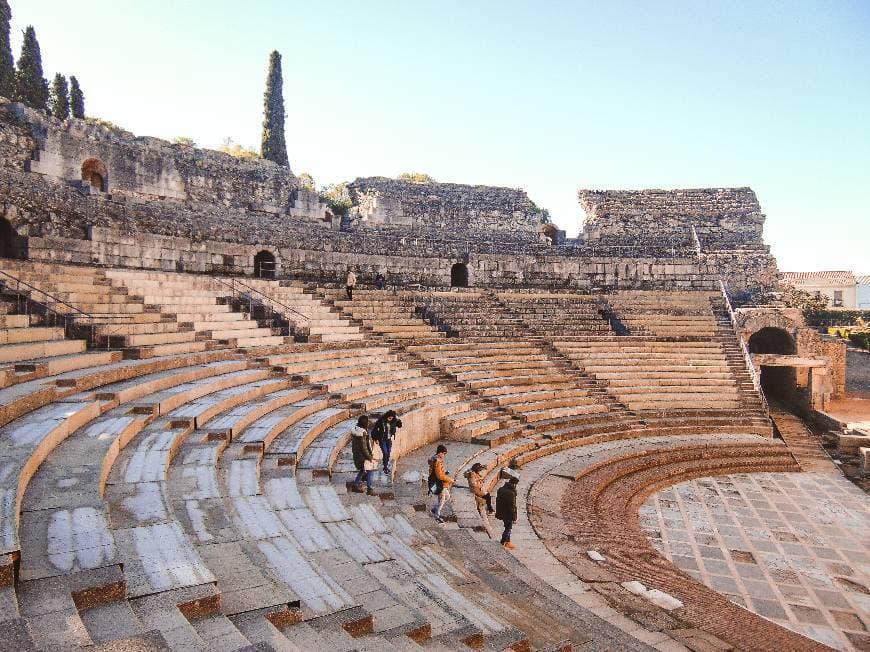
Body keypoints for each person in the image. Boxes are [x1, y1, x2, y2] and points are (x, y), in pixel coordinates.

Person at [464, 462, 494, 538]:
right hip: (476, 490)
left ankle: (489, 509)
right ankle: (490, 510)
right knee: (488, 496)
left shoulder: (473, 473)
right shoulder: (472, 475)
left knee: (488, 495)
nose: (480, 471)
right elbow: (474, 484)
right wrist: (480, 481)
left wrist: (480, 478)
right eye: (479, 469)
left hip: (477, 489)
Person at [351, 415, 378, 495]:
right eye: (368, 422)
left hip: (359, 456)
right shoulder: (361, 434)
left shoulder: (358, 430)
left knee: (363, 470)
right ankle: (370, 489)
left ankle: (355, 485)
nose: (369, 423)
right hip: (362, 457)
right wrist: (369, 457)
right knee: (370, 470)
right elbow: (364, 448)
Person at [427, 444, 454, 523]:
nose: (444, 455)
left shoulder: (436, 459)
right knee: (441, 499)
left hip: (438, 482)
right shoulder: (437, 461)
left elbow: (437, 473)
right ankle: (437, 515)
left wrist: (445, 472)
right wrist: (450, 480)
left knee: (447, 497)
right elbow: (439, 476)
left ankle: (434, 510)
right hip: (438, 483)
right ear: (440, 453)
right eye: (444, 453)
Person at [495, 469, 519, 550]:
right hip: (507, 513)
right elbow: (512, 506)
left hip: (501, 511)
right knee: (508, 528)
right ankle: (502, 542)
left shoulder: (501, 489)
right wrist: (514, 517)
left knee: (507, 526)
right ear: (515, 484)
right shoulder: (510, 493)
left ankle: (508, 542)